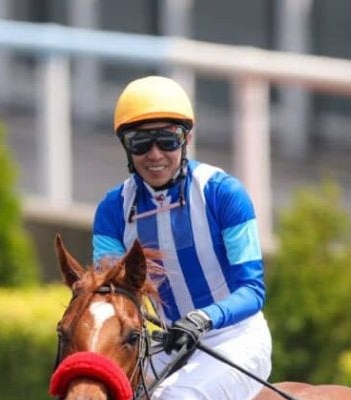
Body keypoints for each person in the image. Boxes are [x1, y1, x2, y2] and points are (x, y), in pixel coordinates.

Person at [91, 75, 272, 399]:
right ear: (126, 147)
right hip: (170, 341)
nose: (155, 154)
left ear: (186, 138)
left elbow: (252, 290)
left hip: (236, 338)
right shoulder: (112, 210)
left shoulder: (224, 194)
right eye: (140, 143)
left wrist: (204, 318)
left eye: (167, 140)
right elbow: (112, 293)